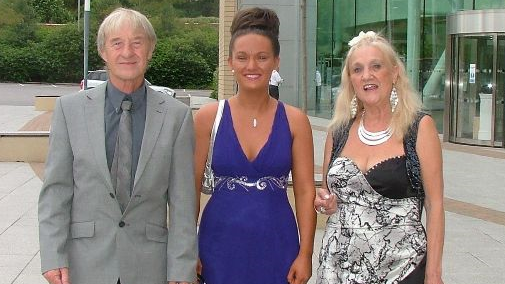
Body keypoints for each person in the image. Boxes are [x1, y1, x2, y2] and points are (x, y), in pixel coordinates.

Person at [38, 8, 197, 284]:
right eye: (117, 43)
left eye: (137, 42)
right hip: (85, 263)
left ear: (150, 50)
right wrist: (53, 256)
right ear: (103, 51)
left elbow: (183, 202)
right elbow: (56, 191)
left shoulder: (176, 116)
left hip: (150, 265)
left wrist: (181, 268)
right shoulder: (69, 110)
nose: (127, 52)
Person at [194, 7, 316, 284]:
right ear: (230, 62)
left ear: (276, 61)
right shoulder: (207, 118)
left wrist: (305, 253)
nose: (252, 66)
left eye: (262, 58)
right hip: (218, 246)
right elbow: (190, 187)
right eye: (242, 57)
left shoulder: (296, 121)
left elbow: (306, 190)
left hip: (278, 245)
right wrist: (187, 249)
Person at [314, 31, 445, 284]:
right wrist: (326, 201)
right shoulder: (338, 131)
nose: (367, 76)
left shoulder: (419, 128)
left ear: (395, 73)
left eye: (376, 66)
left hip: (402, 269)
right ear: (350, 80)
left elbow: (435, 204)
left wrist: (434, 274)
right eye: (357, 69)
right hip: (339, 268)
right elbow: (326, 194)